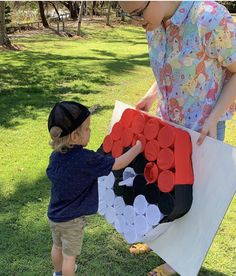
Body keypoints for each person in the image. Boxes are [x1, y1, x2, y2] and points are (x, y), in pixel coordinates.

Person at [119, 1, 236, 275]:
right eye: (128, 15)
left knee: (195, 198)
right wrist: (152, 93)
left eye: (137, 13)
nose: (137, 21)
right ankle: (162, 240)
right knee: (166, 188)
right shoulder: (154, 24)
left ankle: (177, 262)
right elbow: (171, 65)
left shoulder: (209, 18)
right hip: (168, 126)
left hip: (202, 131)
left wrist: (213, 118)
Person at [46, 101, 142, 276]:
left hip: (54, 215)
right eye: (88, 128)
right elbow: (118, 163)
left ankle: (57, 273)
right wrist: (138, 148)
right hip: (72, 221)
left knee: (57, 246)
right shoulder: (85, 159)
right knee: (70, 258)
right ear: (75, 136)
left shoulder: (55, 156)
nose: (90, 131)